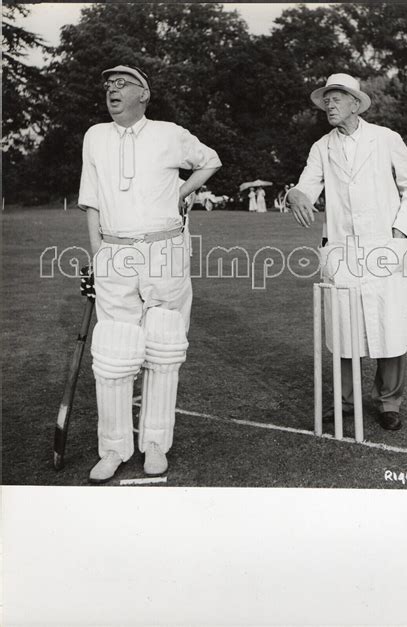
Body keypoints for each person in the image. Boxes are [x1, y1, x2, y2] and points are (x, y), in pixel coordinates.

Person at [78, 65, 221, 483]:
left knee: (163, 345)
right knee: (114, 354)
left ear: (145, 94)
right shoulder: (95, 136)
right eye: (108, 85)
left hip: (166, 249)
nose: (112, 90)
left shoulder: (169, 133)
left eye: (122, 84)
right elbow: (91, 200)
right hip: (114, 250)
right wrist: (98, 255)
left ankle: (156, 442)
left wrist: (178, 193)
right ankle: (114, 449)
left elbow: (210, 161)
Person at [286, 73, 407, 431]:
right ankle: (346, 402)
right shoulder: (322, 146)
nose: (329, 105)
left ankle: (389, 402)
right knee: (344, 330)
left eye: (336, 99)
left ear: (355, 103)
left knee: (389, 325)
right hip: (341, 251)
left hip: (385, 246)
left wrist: (398, 234)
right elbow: (306, 186)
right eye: (326, 101)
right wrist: (295, 195)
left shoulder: (385, 139)